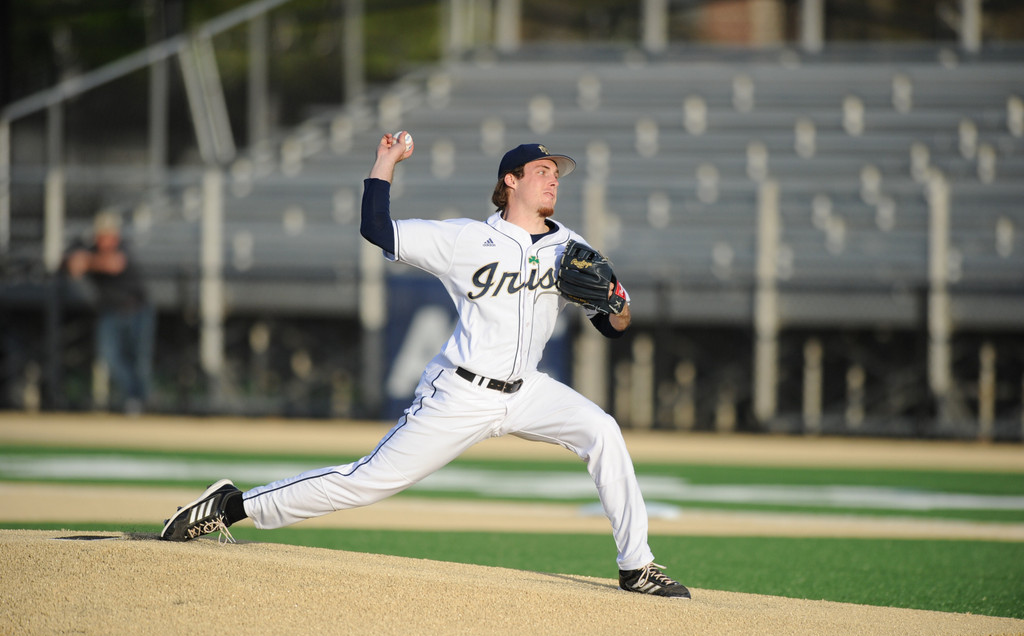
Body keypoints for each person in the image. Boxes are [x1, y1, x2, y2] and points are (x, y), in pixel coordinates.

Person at [160, 133, 691, 599]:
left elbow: (611, 325)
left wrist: (618, 305)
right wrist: (385, 162)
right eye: (543, 171)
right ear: (511, 181)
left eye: (558, 173)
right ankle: (229, 506)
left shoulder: (570, 247)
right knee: (368, 482)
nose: (554, 180)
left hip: (528, 390)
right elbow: (377, 228)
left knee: (602, 431)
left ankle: (636, 568)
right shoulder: (465, 239)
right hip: (462, 392)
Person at [65, 211, 156, 414]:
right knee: (110, 358)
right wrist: (87, 260)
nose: (106, 239)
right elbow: (71, 264)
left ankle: (142, 402)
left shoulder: (124, 247)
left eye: (110, 234)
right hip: (111, 312)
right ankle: (134, 399)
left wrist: (88, 262)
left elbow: (113, 264)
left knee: (139, 360)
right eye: (102, 234)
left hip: (137, 309)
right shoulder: (89, 248)